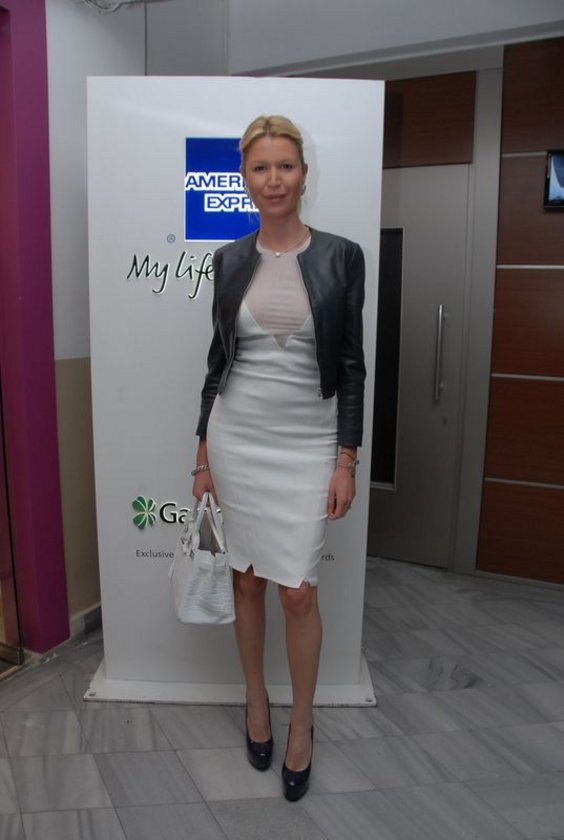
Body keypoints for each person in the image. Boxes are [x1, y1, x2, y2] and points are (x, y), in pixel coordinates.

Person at [192, 114, 366, 802]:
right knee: (246, 582)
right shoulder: (229, 259)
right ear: (244, 178)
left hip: (308, 443)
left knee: (297, 591)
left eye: (285, 166)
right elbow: (217, 361)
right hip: (237, 437)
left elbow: (350, 365)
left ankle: (302, 722)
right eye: (260, 167)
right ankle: (256, 700)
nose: (273, 180)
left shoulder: (342, 256)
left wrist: (346, 458)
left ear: (303, 173)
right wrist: (203, 453)